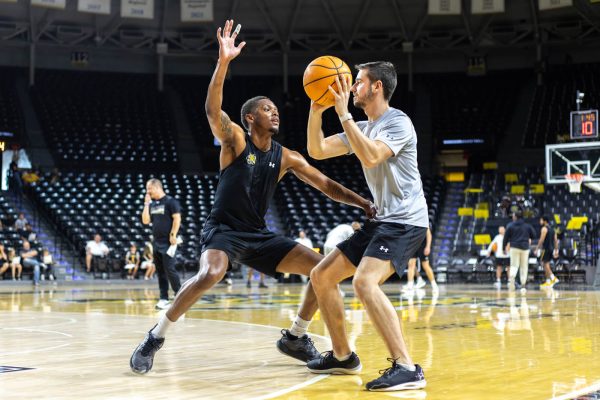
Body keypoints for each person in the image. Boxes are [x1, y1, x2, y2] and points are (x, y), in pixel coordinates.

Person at [130, 20, 375, 375]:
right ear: (249, 118)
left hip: (258, 234)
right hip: (224, 230)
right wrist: (224, 61)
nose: (274, 112)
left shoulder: (286, 156)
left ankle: (295, 336)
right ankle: (156, 335)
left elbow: (325, 184)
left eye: (276, 109)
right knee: (212, 272)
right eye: (266, 109)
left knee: (322, 269)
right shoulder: (235, 141)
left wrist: (363, 203)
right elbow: (214, 113)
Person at [305, 61, 429, 391]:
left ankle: (406, 367)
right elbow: (316, 150)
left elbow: (373, 156)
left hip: (406, 222)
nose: (351, 87)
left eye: (357, 81)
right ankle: (343, 356)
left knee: (364, 282)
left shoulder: (398, 121)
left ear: (376, 87)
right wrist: (317, 110)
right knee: (321, 275)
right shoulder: (362, 126)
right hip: (382, 220)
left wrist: (344, 115)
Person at [142, 179, 182, 309]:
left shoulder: (171, 202)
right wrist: (146, 204)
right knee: (160, 271)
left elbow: (177, 218)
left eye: (149, 189)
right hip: (156, 243)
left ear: (156, 187)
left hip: (168, 242)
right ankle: (164, 298)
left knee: (170, 269)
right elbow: (146, 221)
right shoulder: (152, 204)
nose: (147, 191)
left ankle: (180, 296)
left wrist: (173, 235)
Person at [503, 210, 536, 294]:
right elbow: (534, 235)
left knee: (514, 265)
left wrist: (504, 247)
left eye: (513, 215)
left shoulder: (510, 225)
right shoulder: (527, 226)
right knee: (524, 267)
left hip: (514, 247)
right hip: (525, 247)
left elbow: (505, 238)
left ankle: (512, 280)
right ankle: (523, 285)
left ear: (516, 217)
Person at [404, 227, 438, 293]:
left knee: (425, 266)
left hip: (423, 245)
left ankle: (434, 285)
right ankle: (410, 285)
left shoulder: (423, 220)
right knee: (411, 265)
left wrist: (428, 246)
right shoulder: (411, 221)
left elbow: (429, 235)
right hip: (413, 245)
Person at [535, 216, 559, 288]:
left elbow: (541, 240)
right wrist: (556, 250)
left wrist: (537, 248)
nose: (540, 221)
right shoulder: (552, 229)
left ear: (545, 221)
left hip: (546, 249)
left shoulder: (544, 229)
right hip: (551, 249)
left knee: (545, 264)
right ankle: (548, 282)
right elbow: (555, 241)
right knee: (546, 264)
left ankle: (553, 278)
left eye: (541, 220)